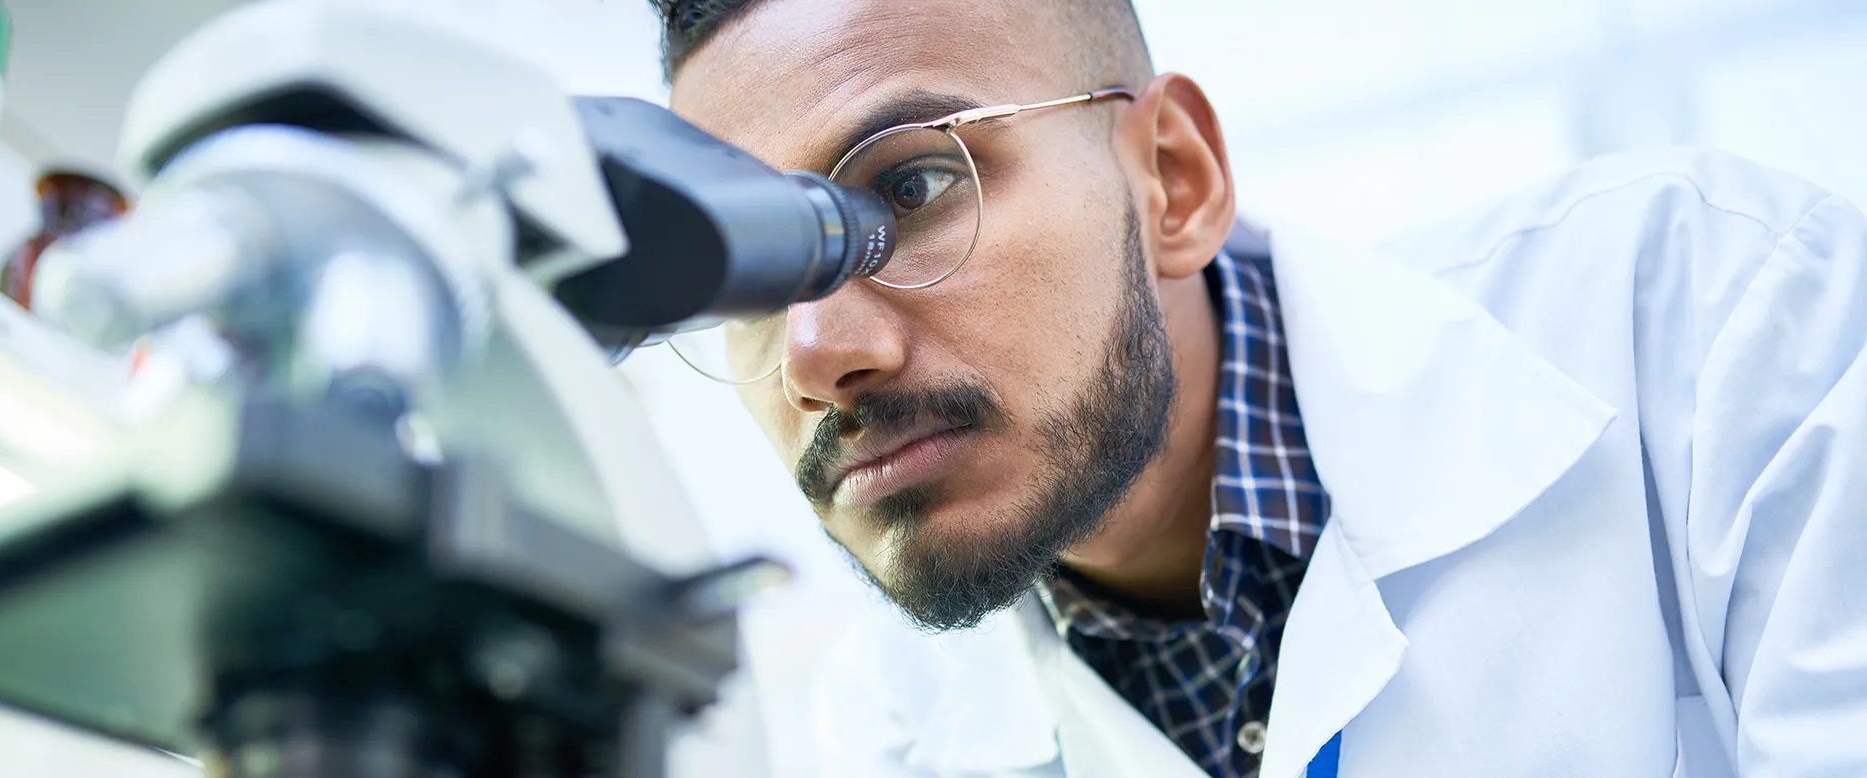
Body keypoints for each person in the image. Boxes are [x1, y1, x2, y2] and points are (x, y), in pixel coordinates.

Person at [647, 1, 1867, 775]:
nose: (811, 353)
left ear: (1170, 179)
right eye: (747, 272)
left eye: (907, 192)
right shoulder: (891, 732)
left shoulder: (1710, 312)